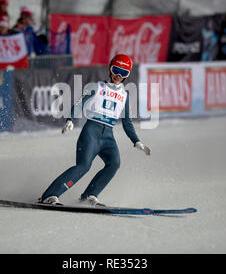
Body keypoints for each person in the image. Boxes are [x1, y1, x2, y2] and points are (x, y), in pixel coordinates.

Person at [39, 54, 152, 207]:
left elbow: (127, 122)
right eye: (116, 70)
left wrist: (136, 141)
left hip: (108, 136)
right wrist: (70, 119)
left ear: (127, 76)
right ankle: (50, 195)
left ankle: (89, 196)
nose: (118, 76)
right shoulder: (97, 87)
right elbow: (79, 103)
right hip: (92, 132)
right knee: (83, 166)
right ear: (110, 69)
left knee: (114, 163)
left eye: (123, 73)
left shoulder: (124, 95)